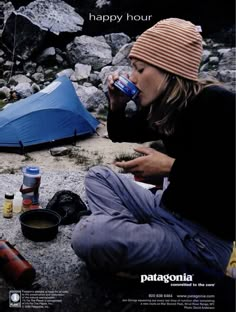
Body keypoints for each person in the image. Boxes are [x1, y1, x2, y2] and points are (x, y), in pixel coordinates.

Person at [71, 18, 235, 279]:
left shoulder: (219, 104)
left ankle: (134, 247)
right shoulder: (167, 107)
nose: (132, 78)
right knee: (98, 176)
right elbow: (120, 134)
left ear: (168, 69)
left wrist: (170, 168)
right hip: (166, 207)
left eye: (139, 69)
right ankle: (136, 242)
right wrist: (117, 105)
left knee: (87, 235)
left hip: (202, 239)